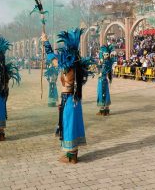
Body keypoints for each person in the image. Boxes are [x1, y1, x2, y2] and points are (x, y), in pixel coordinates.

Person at [42, 28, 93, 164]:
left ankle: (71, 157)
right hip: (73, 99)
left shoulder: (68, 67)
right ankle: (73, 154)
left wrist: (46, 42)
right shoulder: (76, 66)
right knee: (72, 124)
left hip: (69, 99)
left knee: (69, 124)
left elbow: (53, 59)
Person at [96, 44, 115, 116]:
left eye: (106, 54)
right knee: (104, 93)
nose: (104, 55)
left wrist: (100, 67)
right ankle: (105, 110)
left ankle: (103, 111)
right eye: (104, 54)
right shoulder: (107, 62)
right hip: (103, 80)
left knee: (102, 94)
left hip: (102, 80)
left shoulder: (106, 62)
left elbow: (102, 71)